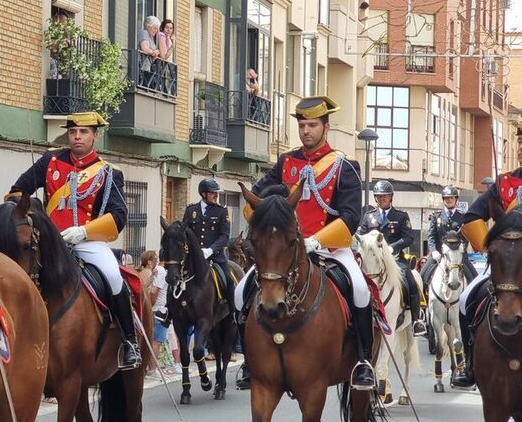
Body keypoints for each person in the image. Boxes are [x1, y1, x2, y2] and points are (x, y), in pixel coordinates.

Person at [233, 96, 376, 390]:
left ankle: (362, 361)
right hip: (286, 250)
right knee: (240, 292)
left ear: (326, 127)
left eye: (312, 125)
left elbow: (351, 217)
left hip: (331, 248)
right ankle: (249, 360)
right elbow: (257, 200)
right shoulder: (286, 162)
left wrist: (316, 241)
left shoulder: (344, 166)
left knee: (360, 290)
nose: (306, 131)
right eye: (302, 125)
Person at [8, 111, 139, 369]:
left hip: (87, 241)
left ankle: (129, 341)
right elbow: (17, 191)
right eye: (72, 132)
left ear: (95, 136)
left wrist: (84, 232)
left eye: (83, 132)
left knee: (113, 276)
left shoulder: (108, 172)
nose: (77, 137)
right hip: (50, 241)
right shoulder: (50, 160)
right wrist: (35, 212)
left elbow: (119, 215)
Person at [357, 180, 427, 336]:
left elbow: (409, 237)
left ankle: (416, 320)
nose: (382, 198)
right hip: (373, 260)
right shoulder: (369, 217)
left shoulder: (401, 216)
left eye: (385, 196)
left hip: (395, 259)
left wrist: (392, 247)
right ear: (375, 198)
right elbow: (361, 235)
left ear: (391, 197)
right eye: (379, 196)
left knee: (411, 281)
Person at [181, 179, 233, 304]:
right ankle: (167, 312)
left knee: (229, 281)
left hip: (215, 257)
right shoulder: (190, 211)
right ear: (204, 194)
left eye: (217, 193)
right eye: (213, 193)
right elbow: (183, 233)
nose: (216, 195)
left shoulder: (221, 211)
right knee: (174, 276)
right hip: (193, 258)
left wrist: (210, 250)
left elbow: (225, 236)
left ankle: (234, 314)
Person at [421, 185, 476, 287]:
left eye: (451, 197)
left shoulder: (463, 217)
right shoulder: (436, 216)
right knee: (422, 275)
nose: (449, 200)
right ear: (443, 200)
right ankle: (421, 301)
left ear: (456, 199)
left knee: (474, 278)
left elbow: (465, 237)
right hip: (439, 255)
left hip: (459, 255)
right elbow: (431, 236)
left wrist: (461, 248)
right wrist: (434, 251)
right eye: (446, 198)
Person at [137, 16, 161, 88]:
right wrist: (154, 52)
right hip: (141, 68)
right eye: (155, 28)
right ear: (148, 26)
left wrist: (156, 52)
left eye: (157, 29)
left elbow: (152, 57)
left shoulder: (151, 38)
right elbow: (145, 48)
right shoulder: (144, 33)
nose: (156, 30)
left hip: (148, 68)